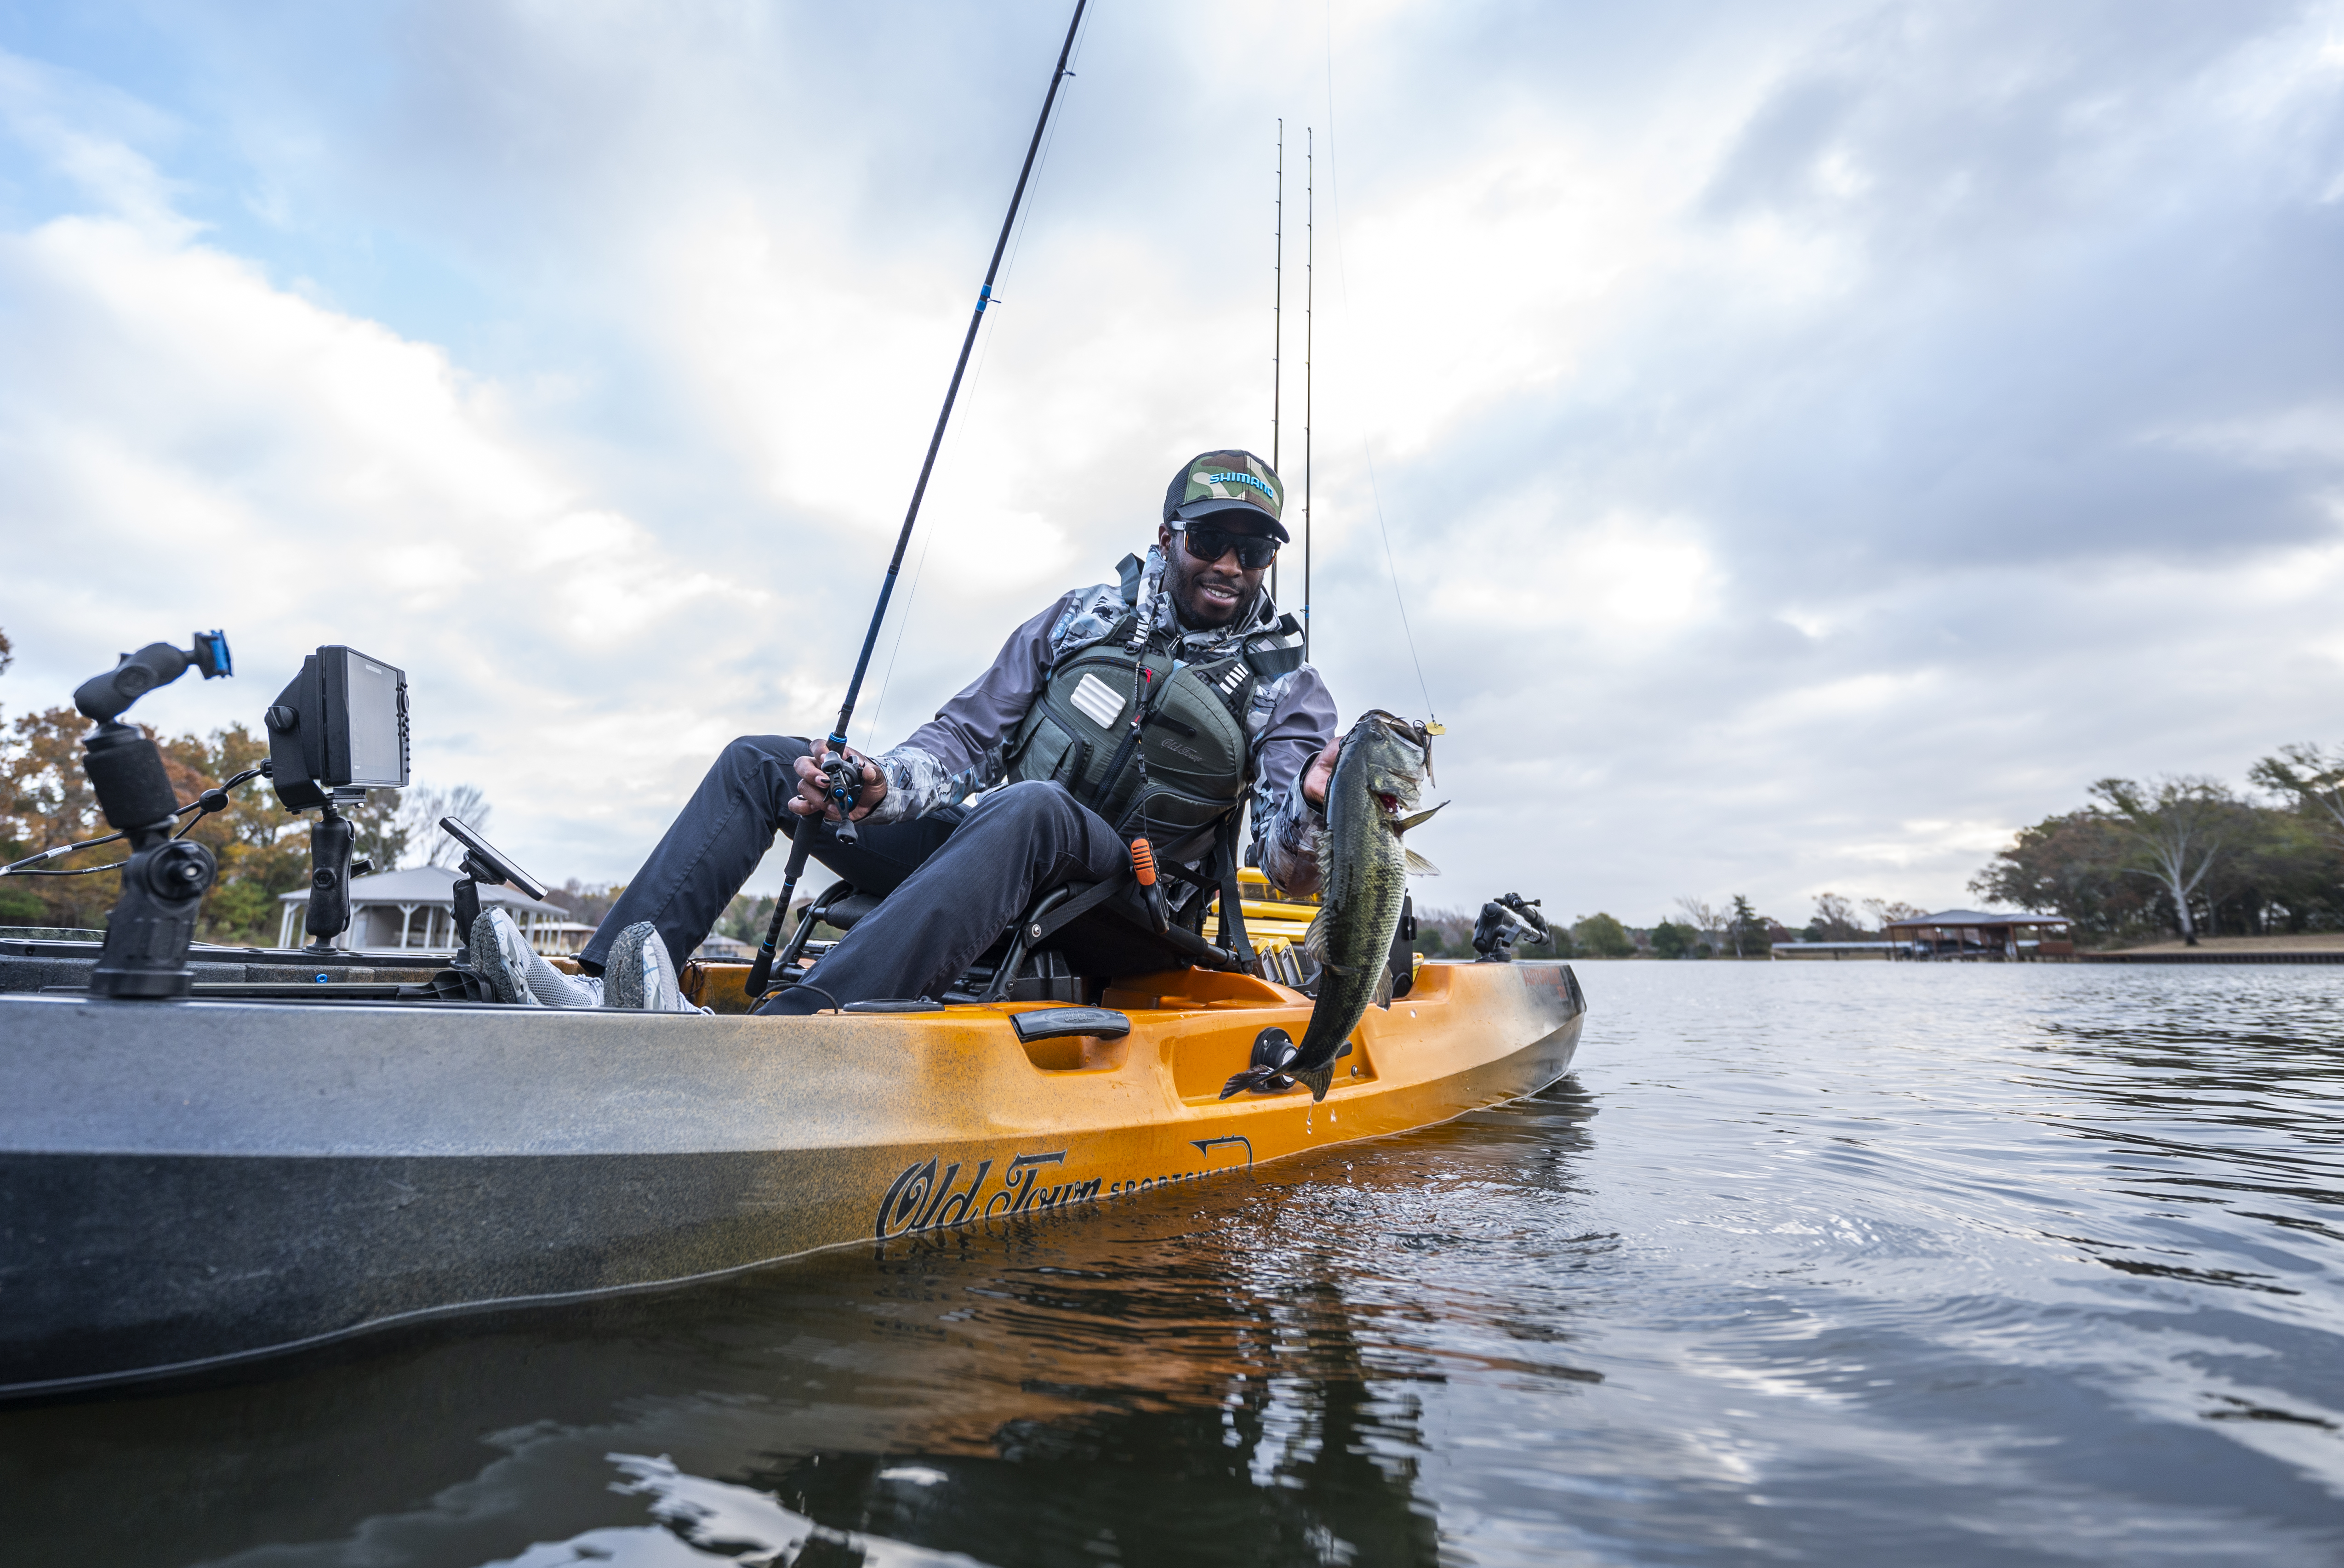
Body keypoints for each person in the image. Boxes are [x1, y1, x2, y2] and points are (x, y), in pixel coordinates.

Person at [471, 449, 1339, 1012]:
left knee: (1031, 807)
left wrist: (1312, 810)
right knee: (761, 765)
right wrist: (879, 786)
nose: (1230, 565)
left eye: (1254, 551)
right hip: (995, 857)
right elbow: (963, 740)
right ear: (1167, 536)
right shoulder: (1080, 618)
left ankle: (796, 1027)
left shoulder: (1288, 688)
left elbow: (1292, 871)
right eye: (1211, 539)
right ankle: (602, 991)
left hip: (1127, 910)